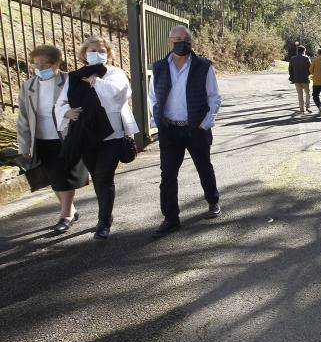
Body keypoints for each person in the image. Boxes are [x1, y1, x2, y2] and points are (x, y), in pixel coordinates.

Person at [55, 36, 139, 240]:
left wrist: (97, 82)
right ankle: (105, 215)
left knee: (103, 176)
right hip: (86, 135)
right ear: (84, 54)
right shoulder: (74, 77)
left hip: (112, 134)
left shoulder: (115, 73)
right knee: (97, 177)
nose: (96, 53)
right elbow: (60, 102)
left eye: (101, 50)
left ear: (109, 53)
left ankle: (103, 222)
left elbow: (118, 96)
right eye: (91, 50)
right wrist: (66, 112)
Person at [149, 26, 222, 238]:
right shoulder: (160, 67)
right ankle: (171, 218)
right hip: (170, 129)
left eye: (187, 39)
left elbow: (214, 98)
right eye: (178, 39)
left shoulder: (203, 67)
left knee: (204, 167)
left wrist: (205, 123)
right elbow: (153, 97)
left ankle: (213, 201)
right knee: (168, 174)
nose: (183, 42)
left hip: (196, 130)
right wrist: (157, 122)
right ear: (169, 42)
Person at [16, 45, 89, 233]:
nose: (41, 68)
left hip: (65, 136)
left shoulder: (68, 80)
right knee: (54, 177)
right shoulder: (28, 86)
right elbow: (23, 117)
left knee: (65, 176)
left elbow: (82, 103)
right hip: (42, 138)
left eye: (46, 64)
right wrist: (24, 144)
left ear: (57, 63)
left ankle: (65, 215)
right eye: (36, 64)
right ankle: (70, 210)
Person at [289, 45, 312, 114]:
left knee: (300, 94)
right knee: (307, 93)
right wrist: (308, 74)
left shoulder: (293, 58)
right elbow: (310, 69)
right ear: (304, 51)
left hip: (296, 79)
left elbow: (290, 69)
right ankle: (307, 106)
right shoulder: (306, 58)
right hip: (305, 78)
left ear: (298, 51)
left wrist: (292, 76)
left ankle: (301, 108)